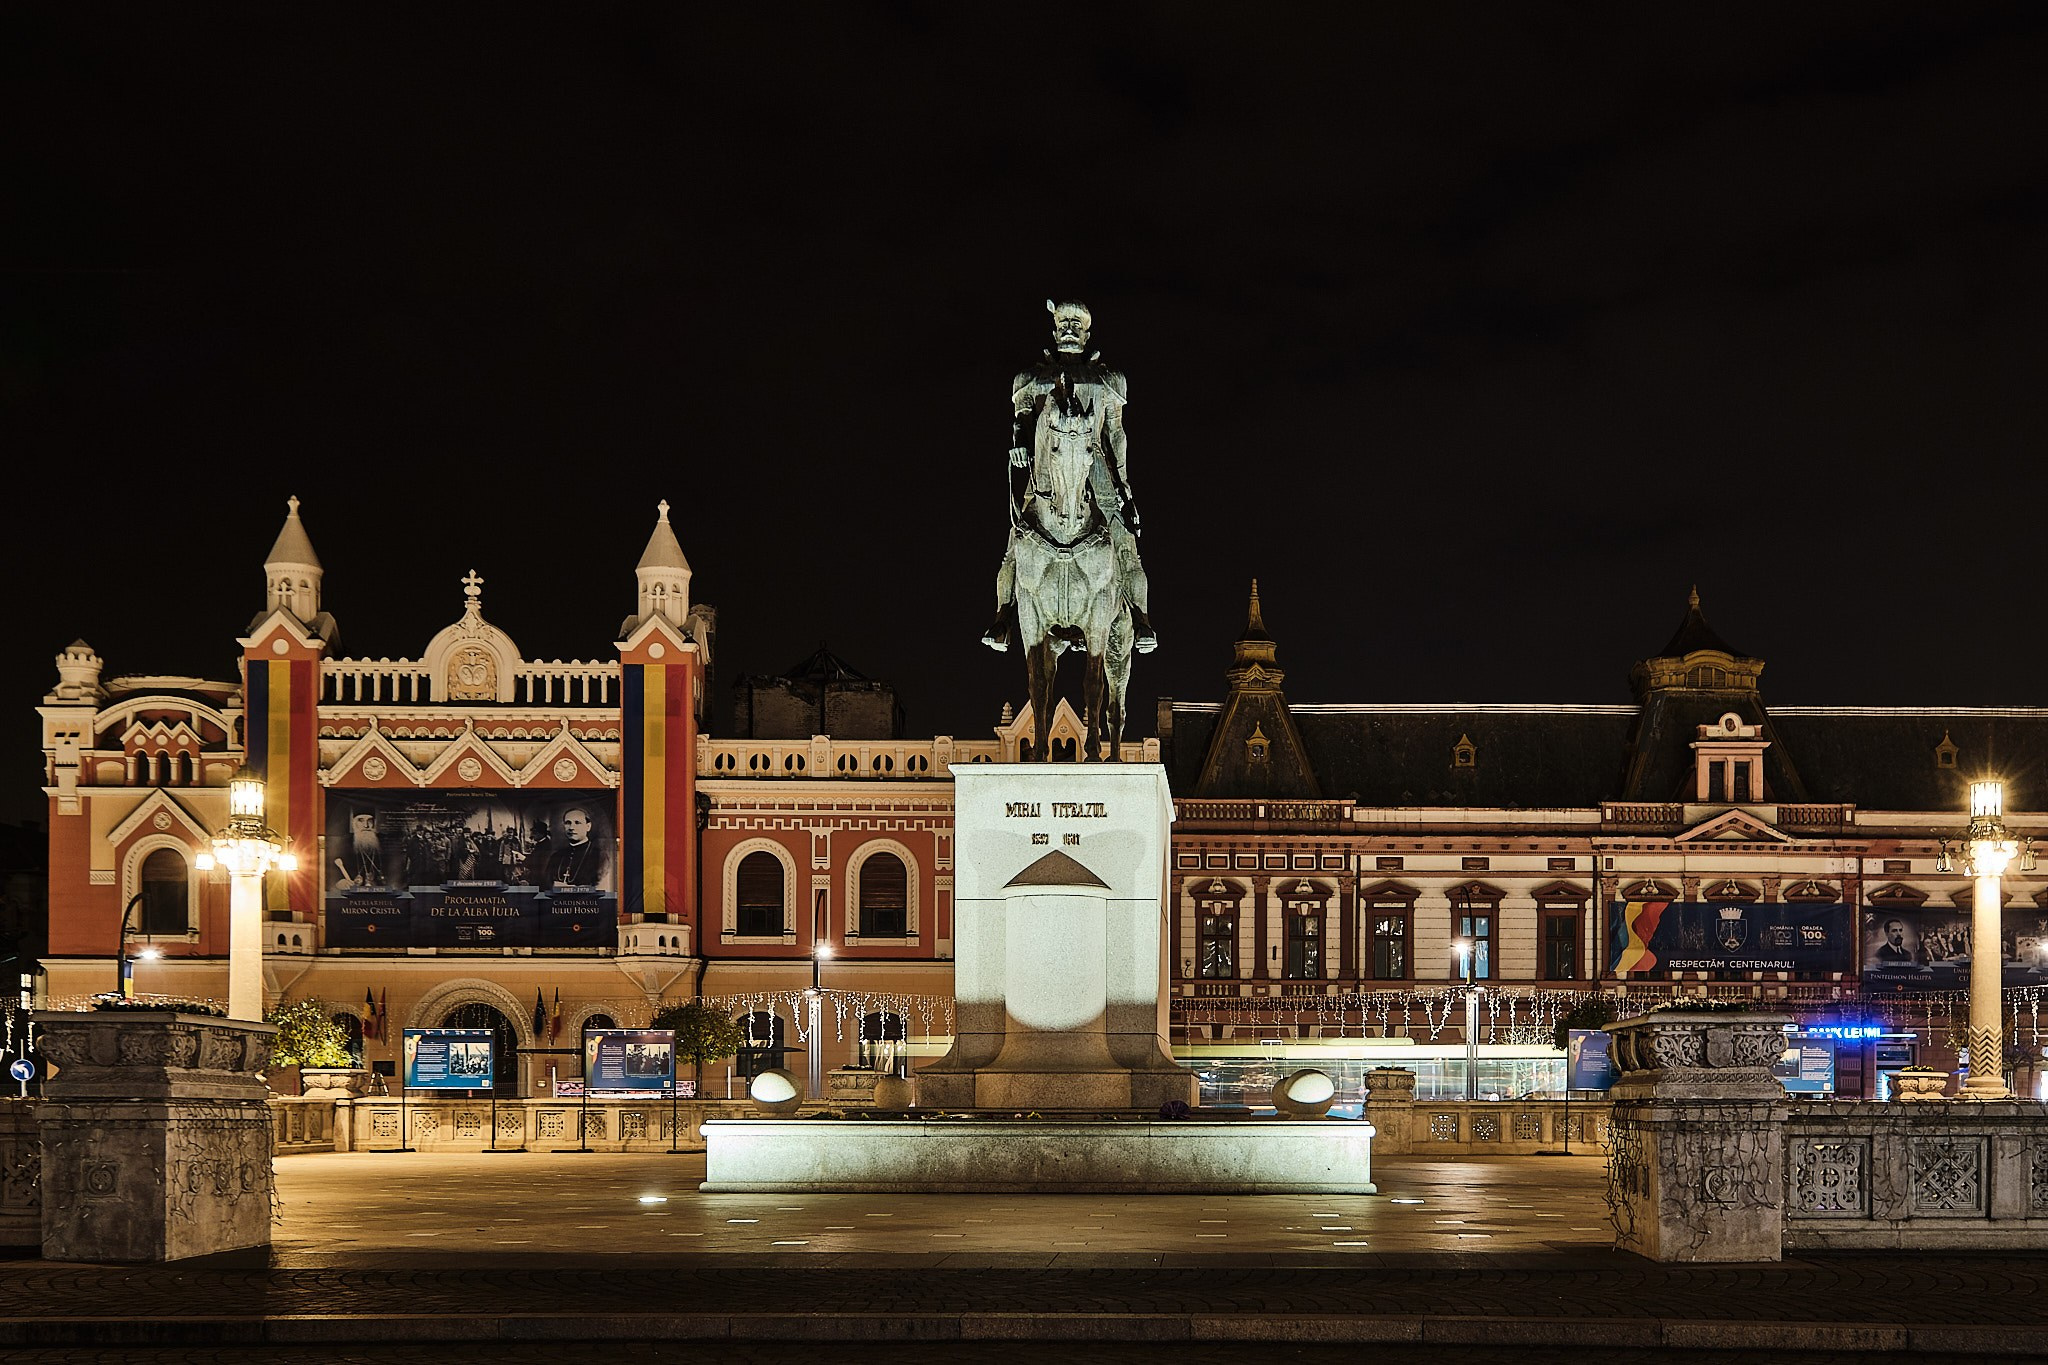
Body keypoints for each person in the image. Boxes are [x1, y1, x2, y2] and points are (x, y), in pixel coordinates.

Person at [982, 299, 1156, 653]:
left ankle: (1141, 618)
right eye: (1064, 323)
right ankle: (1003, 616)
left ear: (1087, 332)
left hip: (1099, 476)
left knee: (1126, 548)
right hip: (1048, 474)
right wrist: (1019, 446)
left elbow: (1116, 436)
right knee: (1015, 546)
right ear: (1054, 328)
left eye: (1077, 324)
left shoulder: (1108, 380)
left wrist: (1124, 489)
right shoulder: (1031, 379)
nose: (1069, 329)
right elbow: (1023, 422)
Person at [546, 806, 607, 889]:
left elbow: (601, 887)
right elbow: (546, 884)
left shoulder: (599, 856)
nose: (571, 828)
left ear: (588, 826)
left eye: (577, 822)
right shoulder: (556, 856)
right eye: (568, 823)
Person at [332, 810, 384, 890]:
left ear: (374, 823)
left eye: (370, 821)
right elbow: (329, 869)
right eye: (361, 820)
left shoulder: (383, 842)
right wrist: (339, 881)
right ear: (353, 823)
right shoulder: (344, 843)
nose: (366, 825)